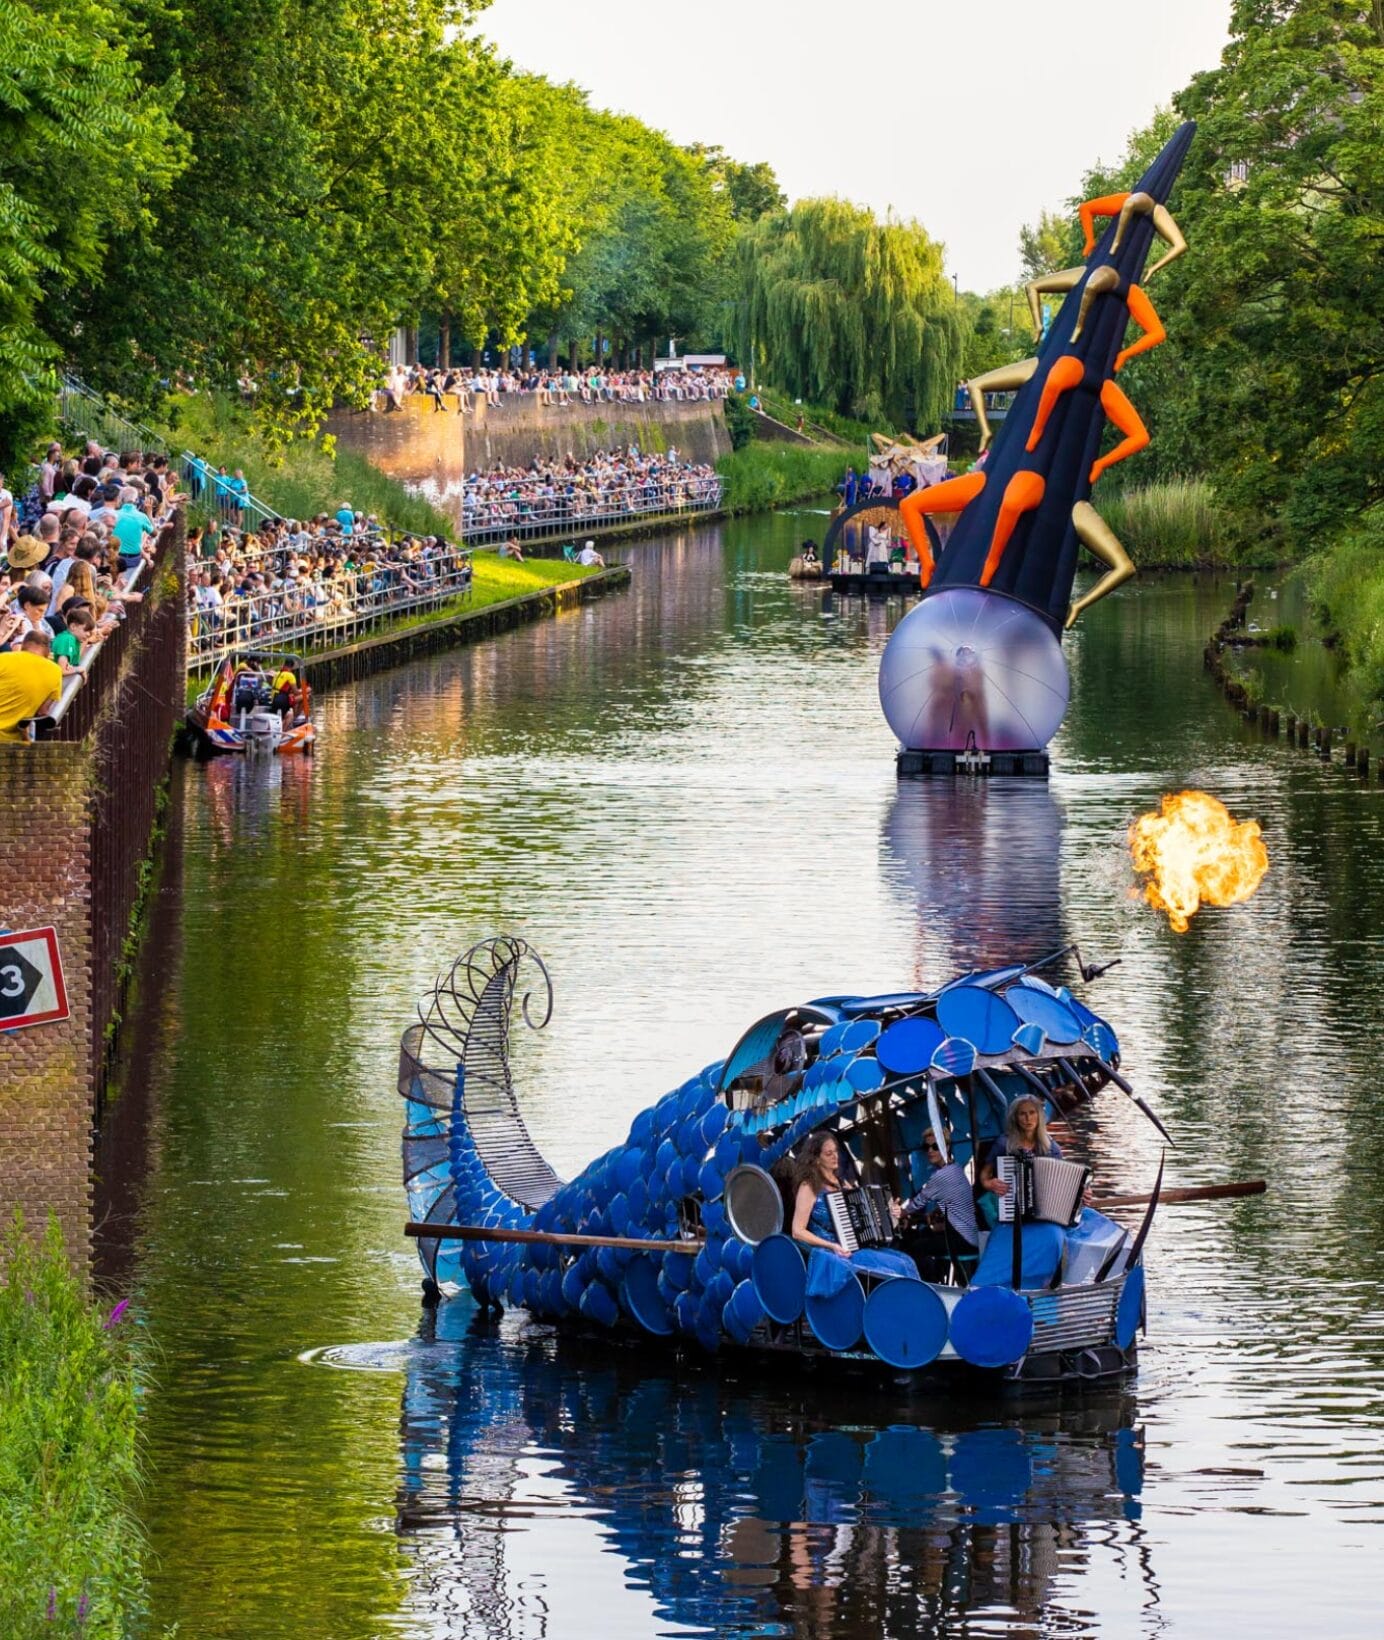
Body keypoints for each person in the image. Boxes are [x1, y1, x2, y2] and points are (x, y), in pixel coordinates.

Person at [896, 1127, 980, 1280]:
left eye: (935, 1146)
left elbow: (918, 1202)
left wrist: (899, 1212)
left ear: (946, 1147)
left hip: (963, 1239)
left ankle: (929, 1286)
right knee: (922, 1235)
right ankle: (936, 1278)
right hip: (965, 1235)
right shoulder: (954, 1169)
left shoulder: (943, 1175)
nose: (930, 1151)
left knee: (915, 1247)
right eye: (926, 1147)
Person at [979, 1095, 1062, 1204]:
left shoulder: (1051, 1147)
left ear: (1039, 1116)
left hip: (1046, 1204)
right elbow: (985, 1174)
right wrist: (989, 1184)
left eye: (1032, 1112)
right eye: (1022, 1114)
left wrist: (1080, 1192)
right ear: (1015, 1118)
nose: (1028, 1118)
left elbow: (1062, 1180)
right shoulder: (1004, 1143)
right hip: (1011, 1203)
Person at [0, 629, 64, 740]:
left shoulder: (4, 658)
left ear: (24, 644)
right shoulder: (55, 671)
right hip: (13, 742)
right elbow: (42, 711)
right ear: (48, 649)